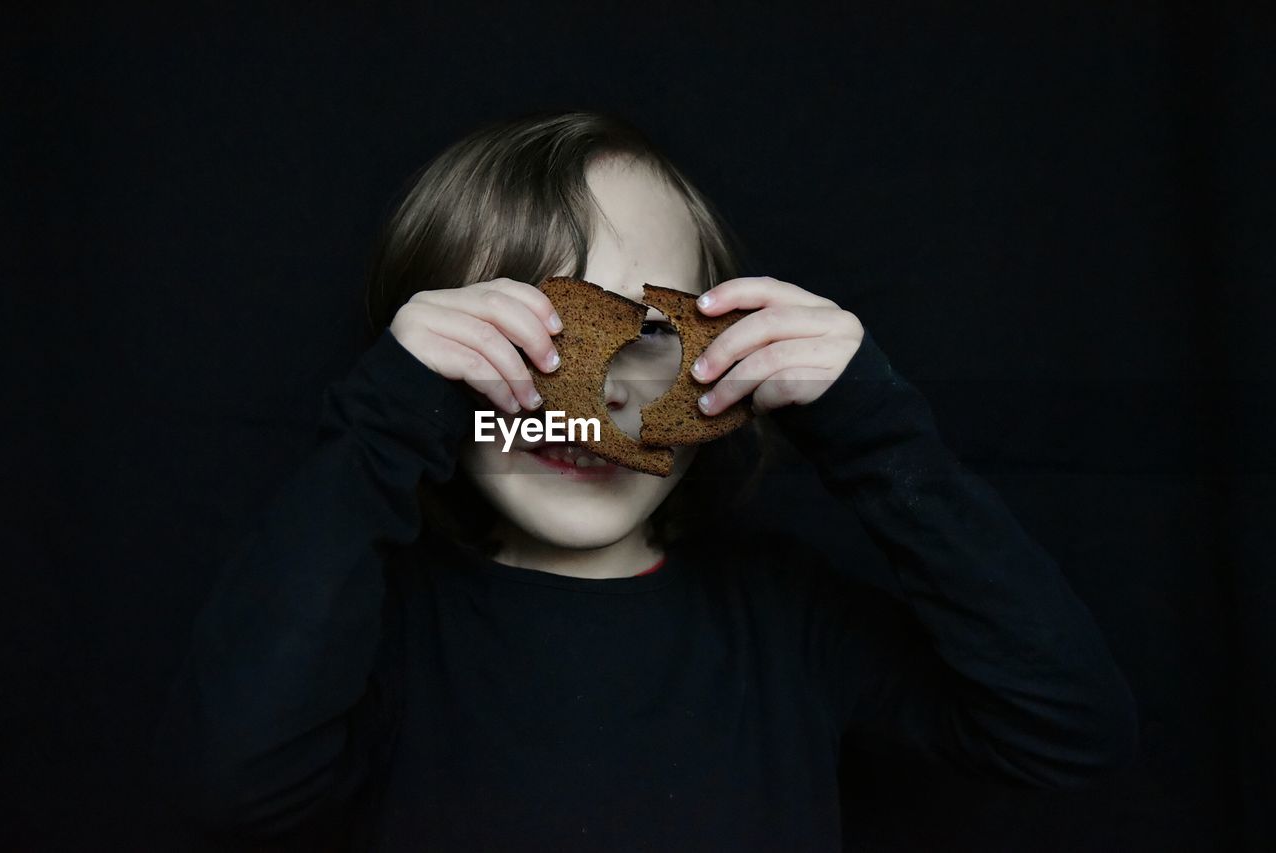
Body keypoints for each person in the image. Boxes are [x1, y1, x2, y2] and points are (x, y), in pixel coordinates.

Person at [150, 110, 1138, 851]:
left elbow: (1061, 731)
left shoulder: (782, 615)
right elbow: (229, 785)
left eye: (647, 337)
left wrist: (876, 437)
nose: (593, 396)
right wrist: (377, 431)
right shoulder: (375, 630)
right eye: (519, 336)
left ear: (726, 363)